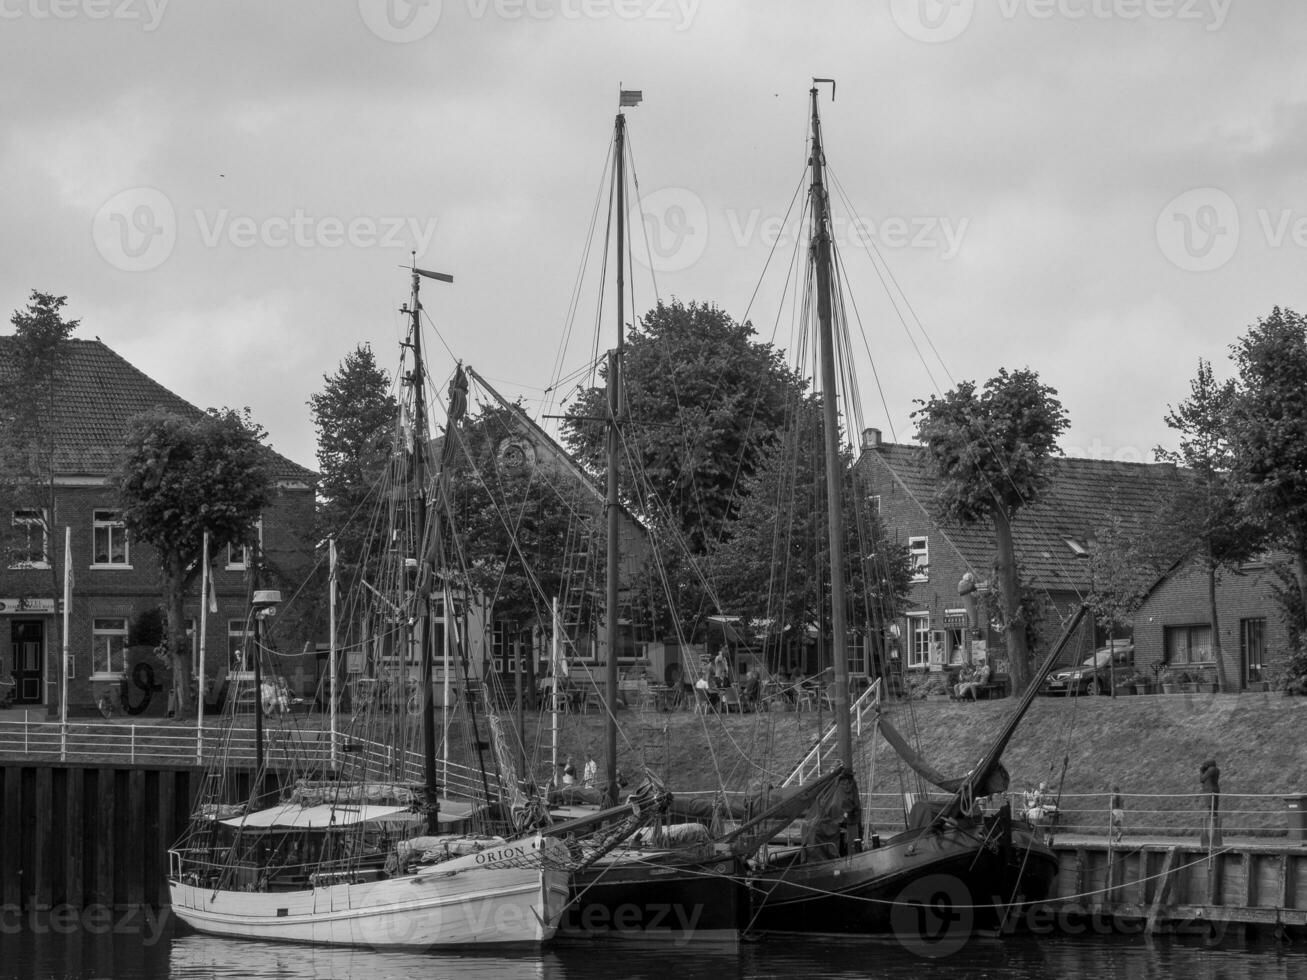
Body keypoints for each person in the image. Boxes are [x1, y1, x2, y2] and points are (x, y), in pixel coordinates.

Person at [1200, 758, 1222, 846]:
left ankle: (1212, 831)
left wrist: (1201, 770)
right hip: (1215, 789)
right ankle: (1213, 819)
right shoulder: (1216, 770)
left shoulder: (1211, 770)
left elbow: (1202, 779)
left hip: (1209, 790)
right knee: (1214, 808)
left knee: (1211, 808)